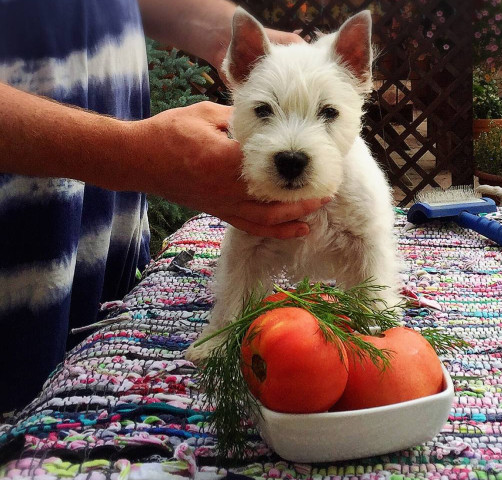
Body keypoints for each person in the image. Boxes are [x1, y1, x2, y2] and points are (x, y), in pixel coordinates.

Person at [0, 0, 327, 412]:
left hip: (102, 240)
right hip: (11, 243)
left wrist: (223, 34)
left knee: (91, 384)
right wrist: (131, 156)